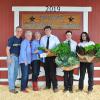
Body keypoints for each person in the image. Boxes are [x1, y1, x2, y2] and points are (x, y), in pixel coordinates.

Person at [41, 26, 60, 92]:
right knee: (47, 72)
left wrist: (51, 51)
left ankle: (55, 87)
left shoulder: (55, 38)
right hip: (45, 57)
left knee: (52, 72)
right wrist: (44, 51)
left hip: (52, 57)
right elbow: (41, 47)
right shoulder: (43, 38)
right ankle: (48, 86)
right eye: (46, 30)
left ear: (51, 30)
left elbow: (58, 47)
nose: (47, 31)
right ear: (44, 31)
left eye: (48, 30)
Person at [6, 26, 23, 94]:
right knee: (11, 73)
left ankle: (12, 84)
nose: (19, 32)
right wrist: (9, 57)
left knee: (15, 73)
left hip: (18, 58)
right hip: (12, 57)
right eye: (18, 31)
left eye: (20, 31)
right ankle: (11, 88)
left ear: (22, 32)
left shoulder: (21, 39)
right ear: (16, 31)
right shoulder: (12, 39)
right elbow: (7, 49)